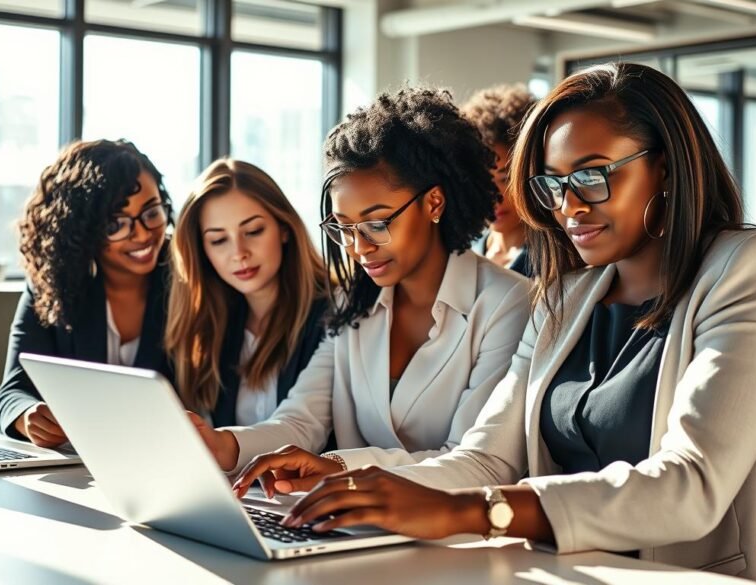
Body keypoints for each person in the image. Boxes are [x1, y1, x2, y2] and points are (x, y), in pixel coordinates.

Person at [272, 63, 756, 582]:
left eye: (592, 176)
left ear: (665, 165)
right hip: (550, 569)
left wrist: (484, 513)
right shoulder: (564, 297)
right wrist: (357, 484)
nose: (569, 206)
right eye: (553, 186)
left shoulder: (750, 270)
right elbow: (485, 463)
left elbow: (691, 485)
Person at [192, 87, 529, 495]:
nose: (358, 247)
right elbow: (302, 420)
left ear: (434, 203)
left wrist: (339, 468)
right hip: (349, 530)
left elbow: (478, 463)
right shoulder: (354, 303)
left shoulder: (507, 303)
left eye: (377, 223)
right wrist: (222, 444)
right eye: (343, 228)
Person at [0, 139, 174, 448]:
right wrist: (27, 416)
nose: (143, 234)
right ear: (81, 228)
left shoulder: (189, 277)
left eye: (151, 212)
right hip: (82, 469)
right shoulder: (55, 286)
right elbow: (10, 394)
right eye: (116, 223)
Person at [165, 159, 329, 463]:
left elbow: (305, 428)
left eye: (253, 231)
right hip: (238, 496)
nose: (239, 253)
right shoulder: (211, 324)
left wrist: (222, 446)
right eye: (218, 240)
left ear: (283, 228)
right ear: (203, 250)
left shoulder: (332, 314)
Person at [461, 84, 535, 276]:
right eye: (482, 180)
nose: (494, 195)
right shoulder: (463, 255)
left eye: (505, 178)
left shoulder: (554, 260)